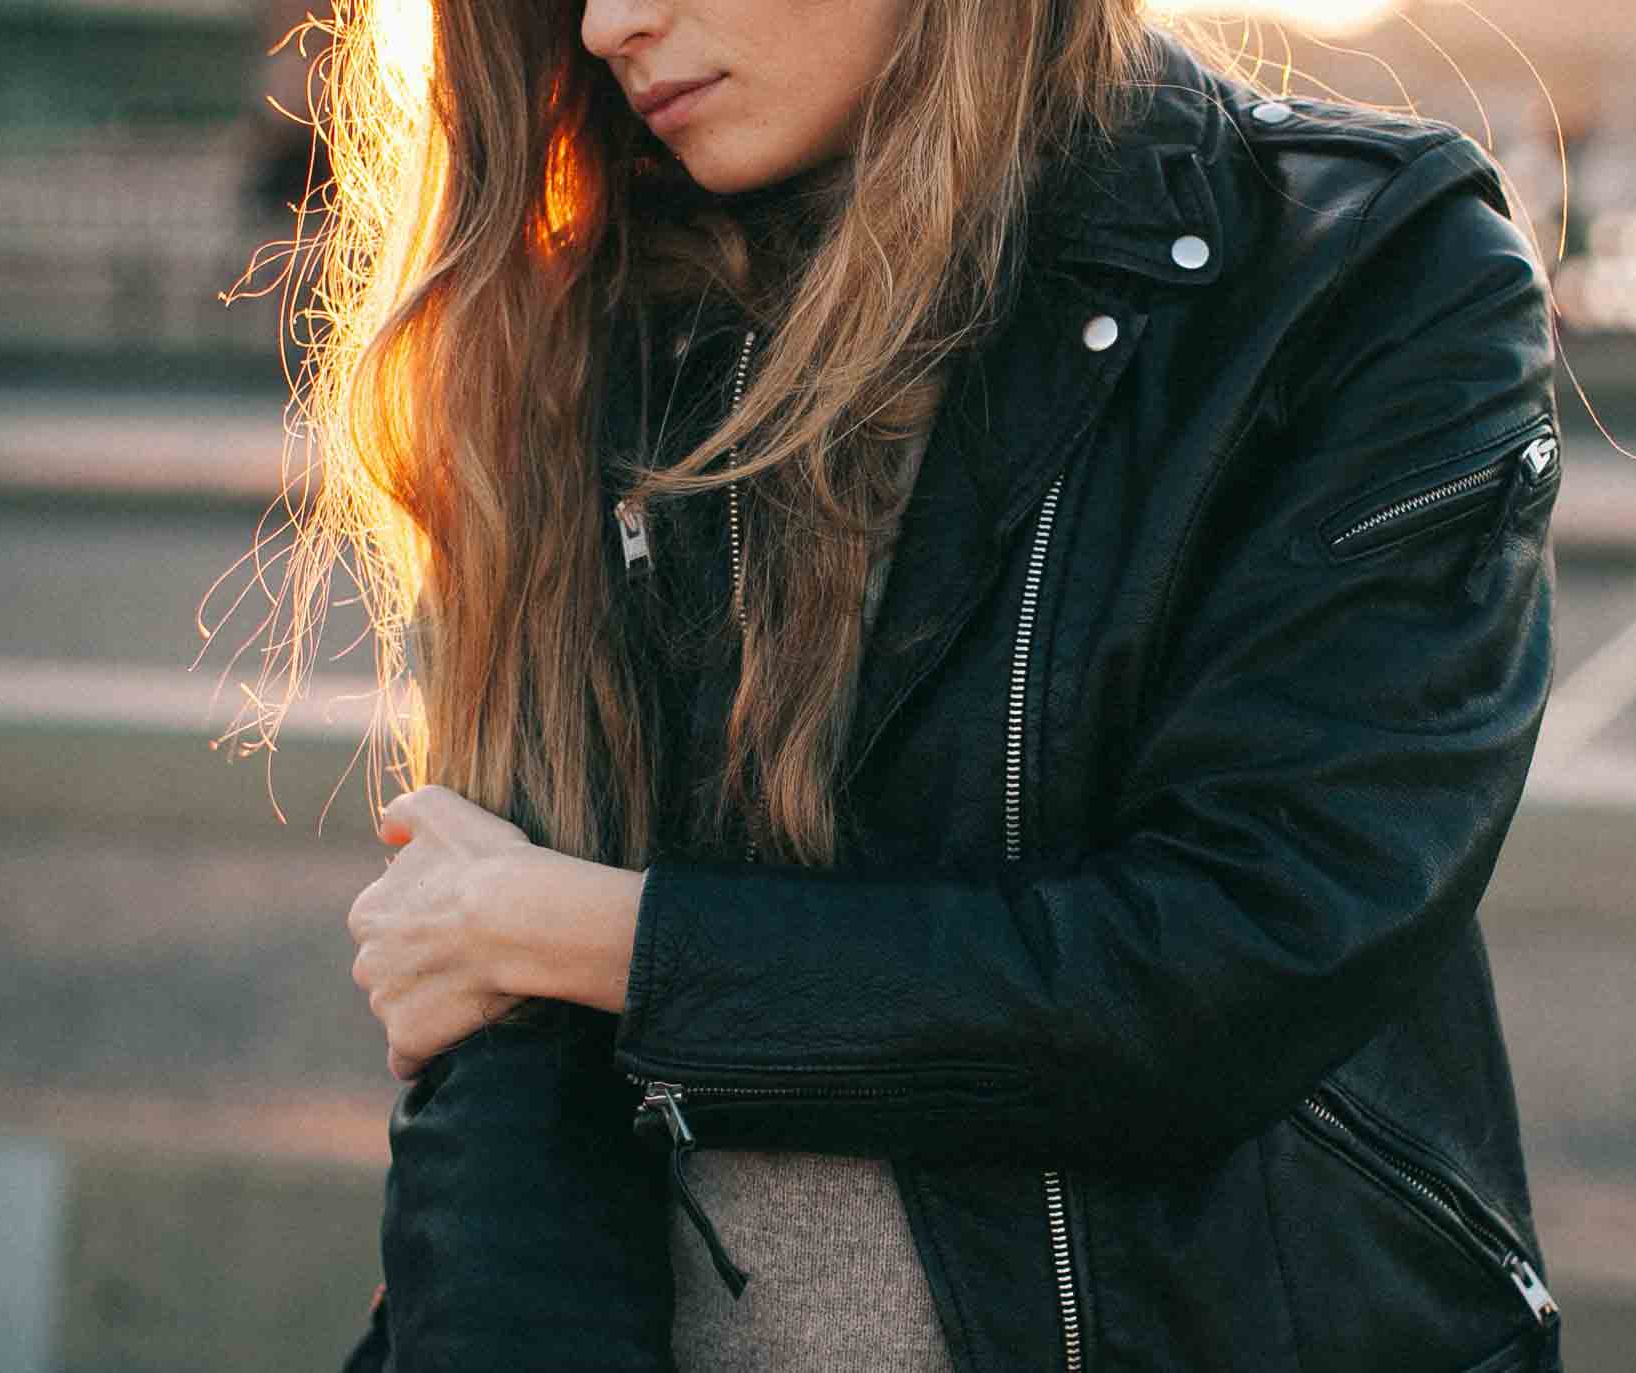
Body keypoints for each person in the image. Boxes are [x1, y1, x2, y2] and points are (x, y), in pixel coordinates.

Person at [313, 0, 1568, 1367]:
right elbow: (497, 1081)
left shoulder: (1354, 276)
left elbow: (1228, 962)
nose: (610, 24)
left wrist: (594, 937)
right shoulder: (582, 324)